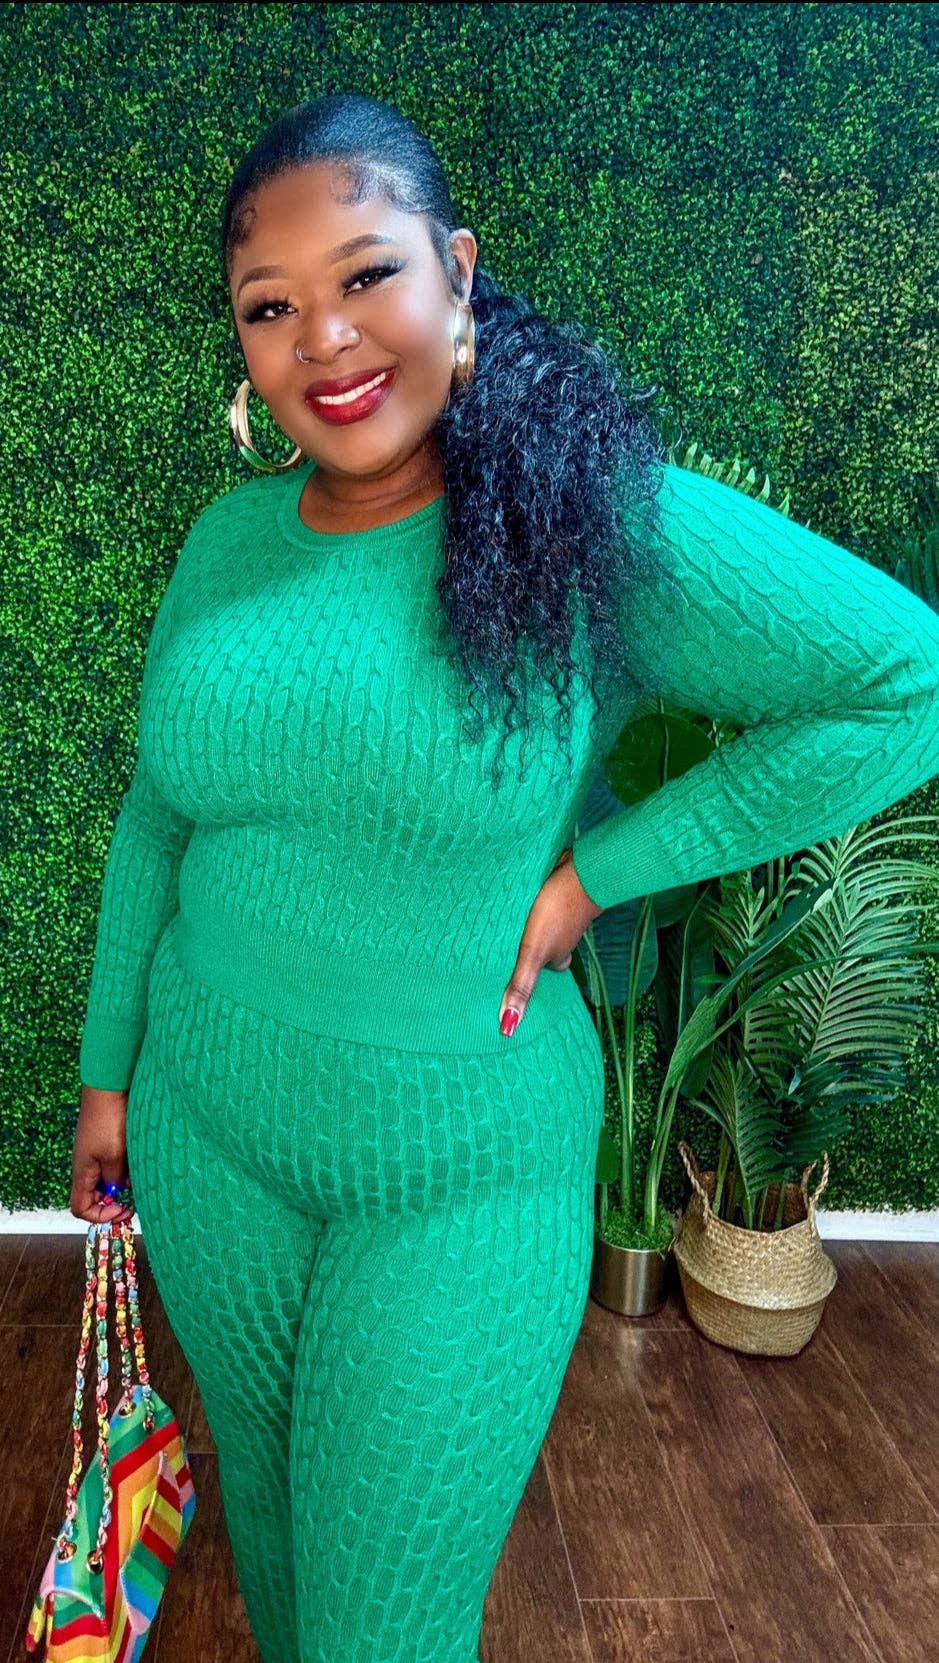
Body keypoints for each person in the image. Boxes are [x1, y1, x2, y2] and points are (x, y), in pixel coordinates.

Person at [68, 93, 939, 1663]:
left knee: (383, 1628)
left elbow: (905, 682)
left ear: (458, 272)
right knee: (275, 1556)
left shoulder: (579, 530)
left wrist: (600, 874)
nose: (325, 339)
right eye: (271, 307)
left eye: (366, 275)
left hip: (457, 1174)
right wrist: (109, 1084)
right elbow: (158, 819)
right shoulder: (228, 546)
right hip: (211, 1136)